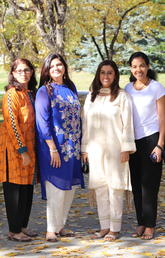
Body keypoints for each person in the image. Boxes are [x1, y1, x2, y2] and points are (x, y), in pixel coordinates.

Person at [81, 60, 136, 241]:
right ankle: (104, 226)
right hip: (96, 149)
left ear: (115, 75)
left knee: (115, 187)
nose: (106, 76)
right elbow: (86, 124)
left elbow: (127, 124)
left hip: (116, 149)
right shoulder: (91, 97)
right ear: (98, 74)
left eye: (110, 73)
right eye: (103, 72)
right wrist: (85, 148)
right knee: (100, 188)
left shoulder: (122, 96)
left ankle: (115, 228)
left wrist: (126, 148)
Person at [35, 53, 84, 242]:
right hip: (53, 148)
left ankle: (60, 225)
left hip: (72, 146)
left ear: (64, 67)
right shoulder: (44, 91)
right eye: (52, 66)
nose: (57, 68)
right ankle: (50, 229)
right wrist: (52, 149)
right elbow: (42, 122)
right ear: (47, 69)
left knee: (69, 187)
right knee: (56, 186)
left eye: (60, 65)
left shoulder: (70, 88)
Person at [125, 52, 165, 240]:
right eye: (134, 66)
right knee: (136, 184)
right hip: (133, 142)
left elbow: (163, 119)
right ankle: (141, 222)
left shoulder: (157, 88)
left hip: (152, 140)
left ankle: (150, 225)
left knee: (150, 185)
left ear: (148, 66)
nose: (138, 70)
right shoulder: (127, 88)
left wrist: (160, 145)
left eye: (141, 65)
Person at [0, 58, 38, 241]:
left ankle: (23, 225)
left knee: (26, 189)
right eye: (20, 70)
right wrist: (22, 150)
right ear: (13, 73)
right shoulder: (11, 94)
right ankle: (14, 231)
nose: (24, 73)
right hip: (14, 150)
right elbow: (12, 124)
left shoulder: (29, 93)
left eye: (27, 69)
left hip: (30, 147)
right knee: (14, 189)